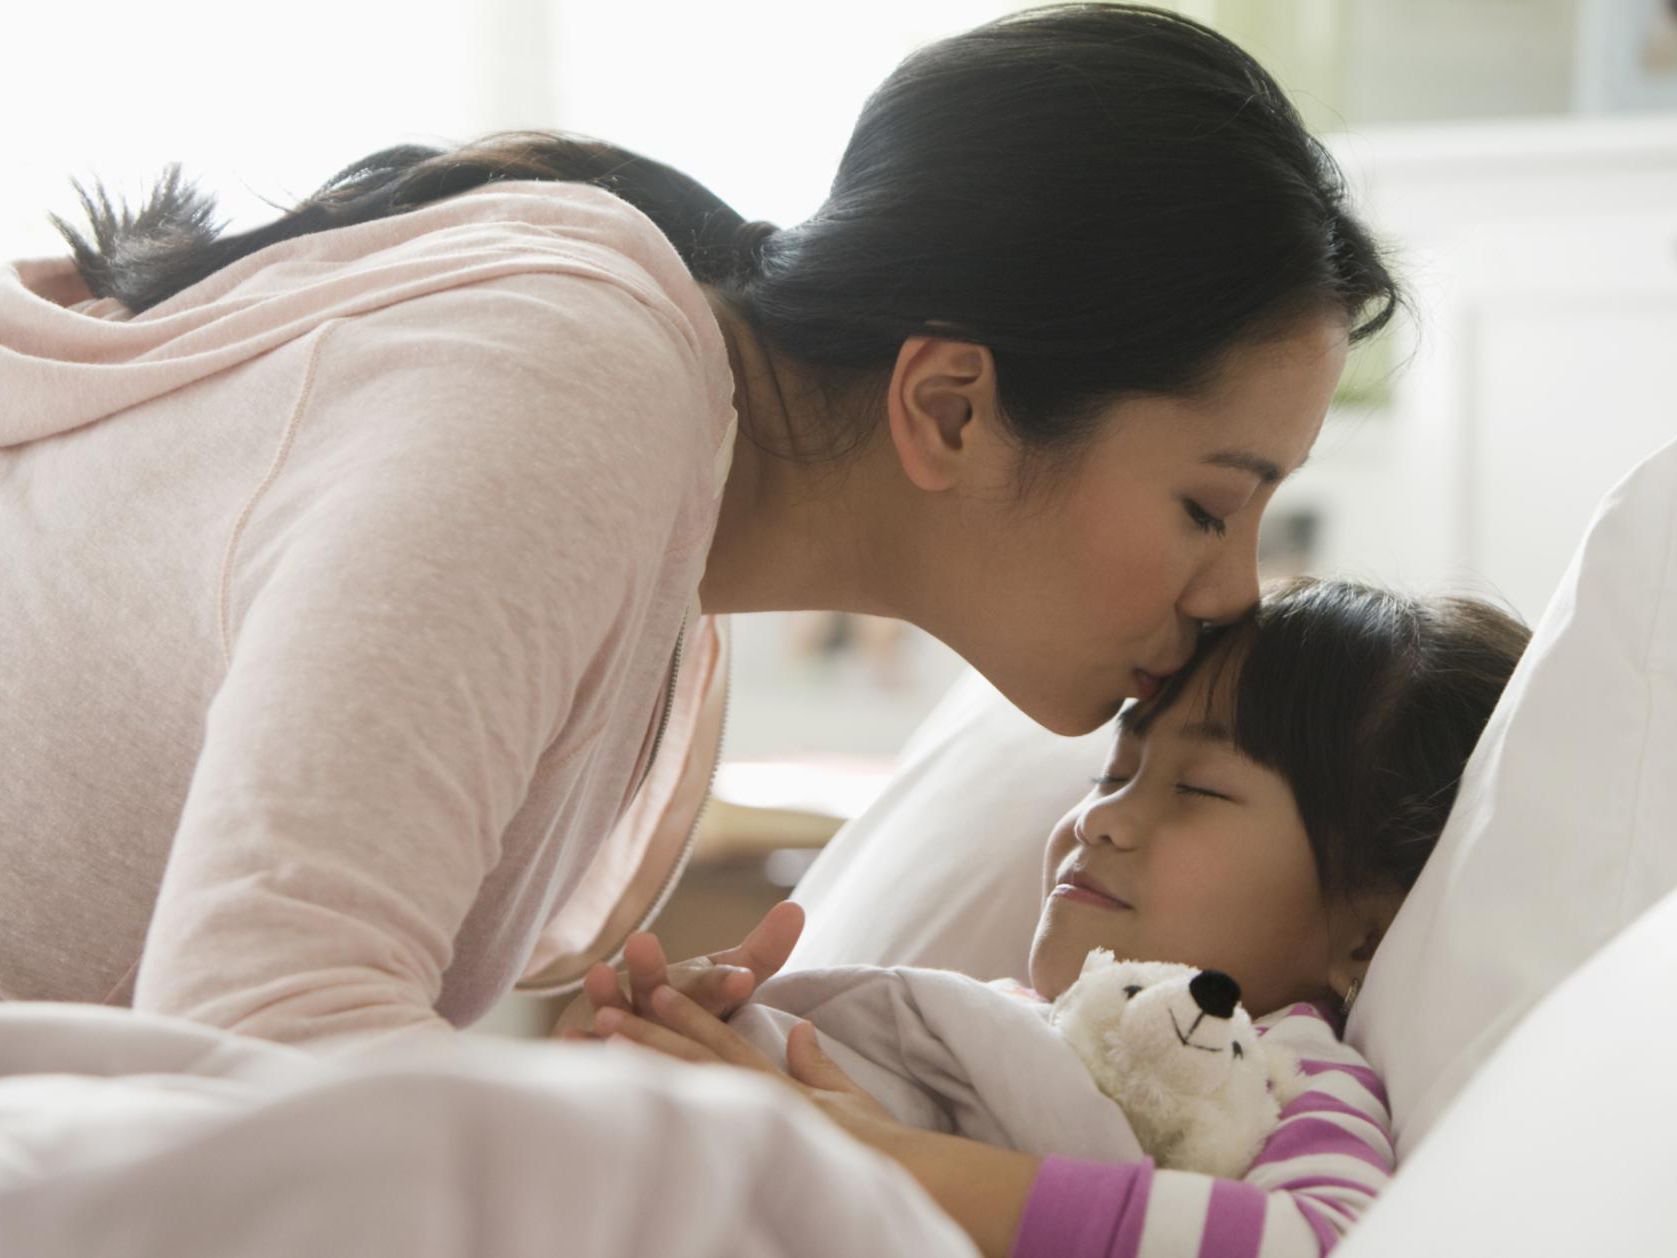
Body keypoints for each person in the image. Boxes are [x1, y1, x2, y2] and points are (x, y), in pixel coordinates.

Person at [0, 4, 1396, 1046]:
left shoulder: (667, 507)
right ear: (954, 407)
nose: (1234, 595)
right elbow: (260, 1025)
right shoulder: (577, 389)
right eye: (1209, 504)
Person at [571, 577, 1532, 1258]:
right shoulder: (985, 1020)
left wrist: (889, 1160)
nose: (1101, 818)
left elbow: (1319, 1242)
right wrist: (685, 1039)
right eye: (1113, 773)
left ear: (1361, 930)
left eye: (1196, 787)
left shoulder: (1287, 1074)